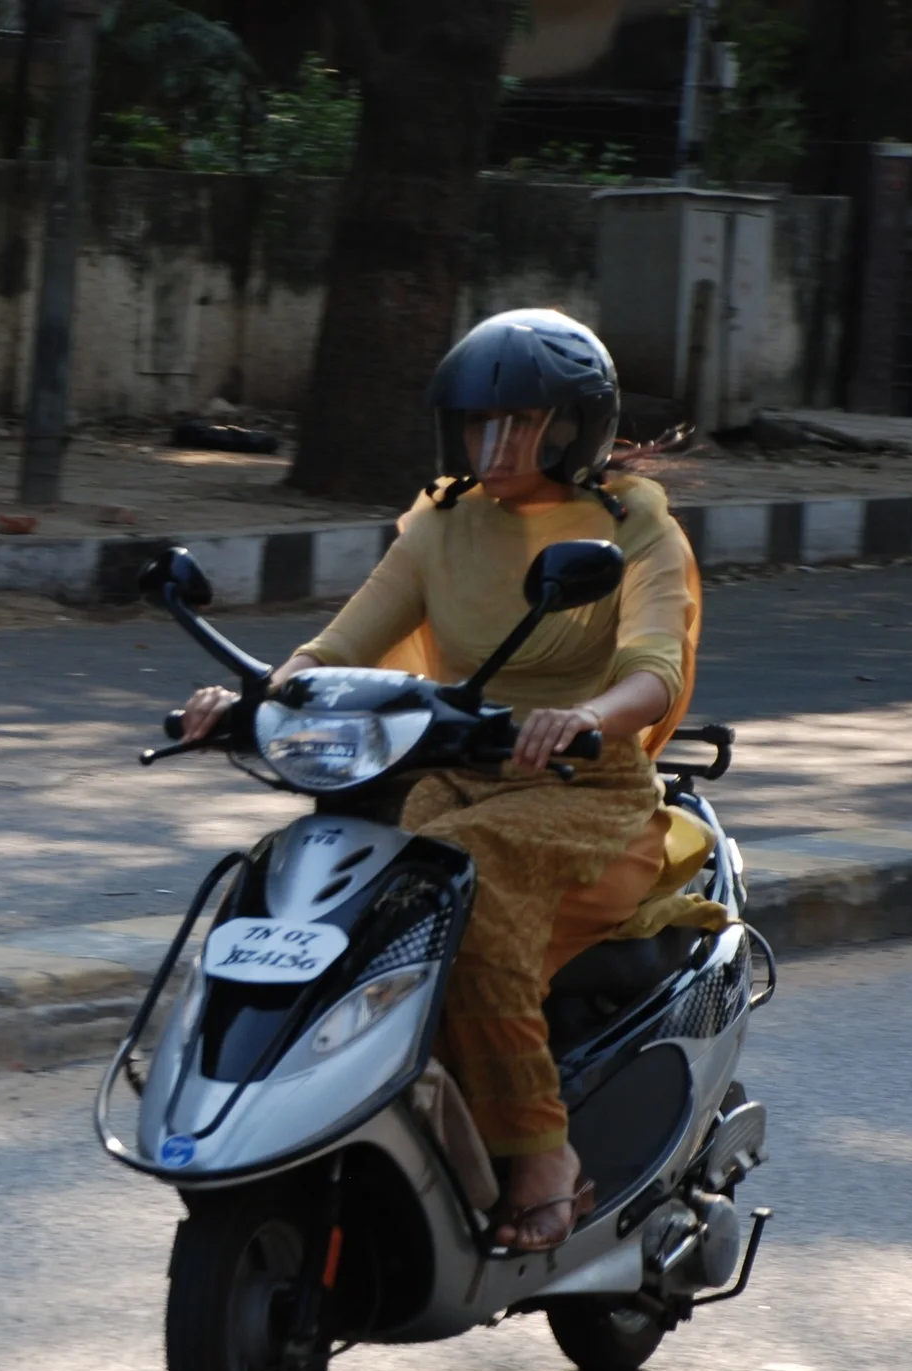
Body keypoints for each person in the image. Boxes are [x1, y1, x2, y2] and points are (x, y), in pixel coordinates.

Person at [180, 308, 707, 1252]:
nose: (496, 444)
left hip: (587, 794)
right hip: (452, 780)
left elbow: (653, 669)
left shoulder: (633, 528)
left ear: (577, 426)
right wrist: (252, 697)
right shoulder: (442, 523)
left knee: (458, 881)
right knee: (366, 887)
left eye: (524, 423)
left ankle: (546, 1157)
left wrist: (586, 716)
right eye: (478, 423)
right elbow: (338, 647)